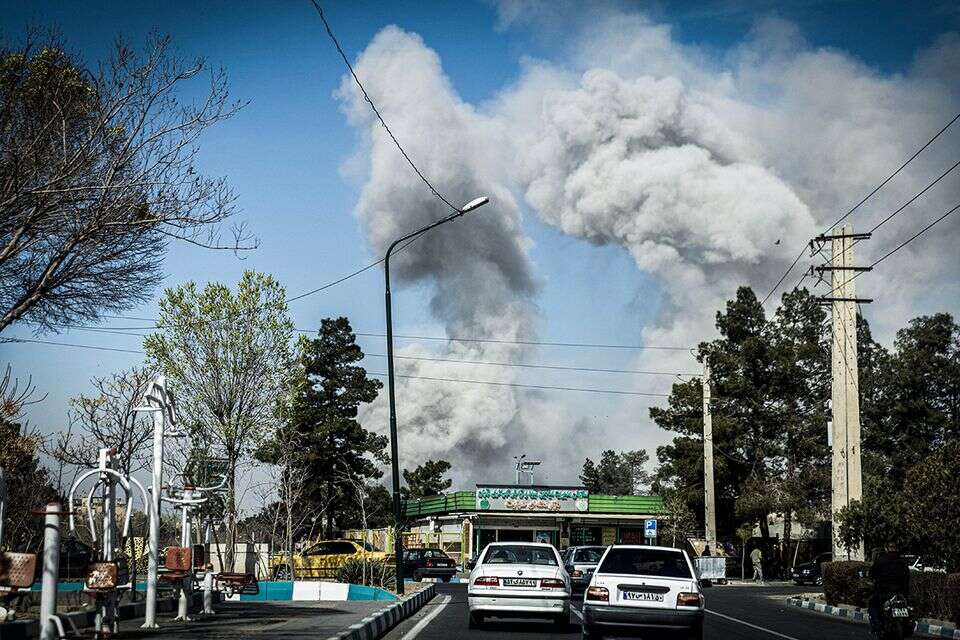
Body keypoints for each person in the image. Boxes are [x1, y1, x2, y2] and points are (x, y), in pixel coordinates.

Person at [868, 543, 910, 637]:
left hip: (884, 593)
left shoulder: (881, 561)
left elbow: (872, 574)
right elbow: (907, 578)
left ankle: (877, 627)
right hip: (901, 593)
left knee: (872, 605)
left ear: (887, 549)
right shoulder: (902, 562)